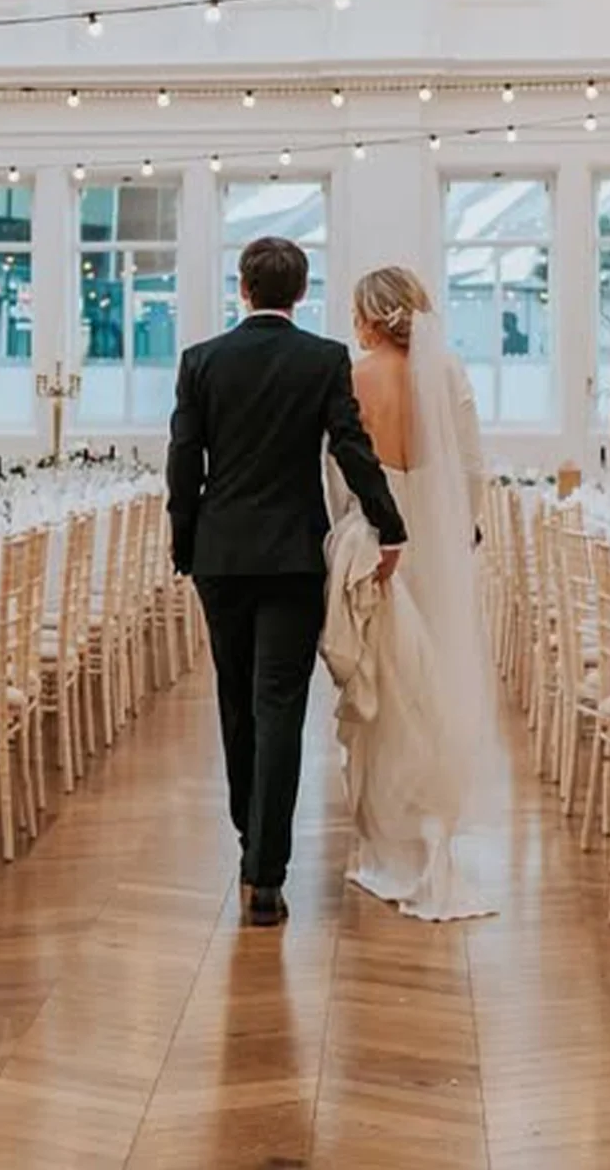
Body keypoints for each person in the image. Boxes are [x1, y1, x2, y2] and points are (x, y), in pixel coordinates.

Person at [166, 237, 406, 928]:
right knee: (281, 708)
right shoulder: (323, 359)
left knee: (236, 701)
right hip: (296, 556)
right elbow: (351, 449)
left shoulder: (202, 361)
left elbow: (184, 465)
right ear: (300, 294)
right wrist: (389, 525)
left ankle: (252, 838)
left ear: (243, 287)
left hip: (221, 555)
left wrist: (187, 546)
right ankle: (266, 871)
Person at [328, 265, 502, 921]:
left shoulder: (355, 374)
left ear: (372, 316)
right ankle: (434, 828)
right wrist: (461, 531)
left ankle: (389, 842)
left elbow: (340, 472)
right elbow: (473, 466)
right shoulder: (449, 372)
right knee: (435, 688)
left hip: (379, 540)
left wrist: (352, 536)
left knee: (386, 690)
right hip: (436, 538)